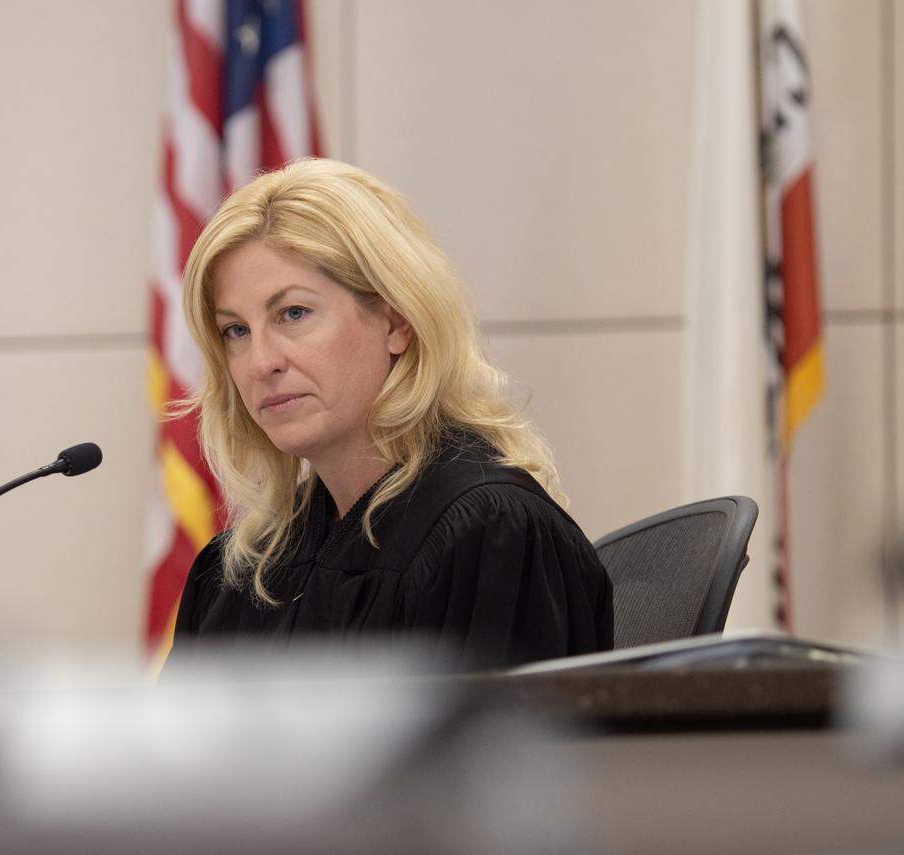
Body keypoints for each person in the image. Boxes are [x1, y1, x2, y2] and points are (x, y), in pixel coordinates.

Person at [167, 158, 612, 672]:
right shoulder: (242, 574)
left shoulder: (490, 536)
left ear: (396, 321)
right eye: (235, 331)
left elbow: (495, 753)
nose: (261, 362)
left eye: (293, 314)